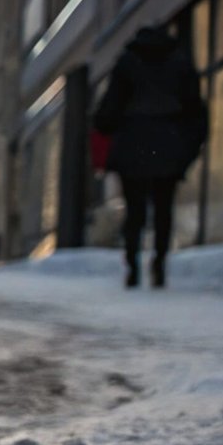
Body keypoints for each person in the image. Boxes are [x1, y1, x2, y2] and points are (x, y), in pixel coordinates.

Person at [92, 24, 208, 288]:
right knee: (163, 208)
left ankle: (133, 265)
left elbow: (107, 113)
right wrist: (187, 147)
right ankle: (160, 262)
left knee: (135, 211)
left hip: (133, 144)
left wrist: (107, 126)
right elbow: (196, 112)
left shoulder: (127, 64)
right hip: (168, 146)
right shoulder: (180, 64)